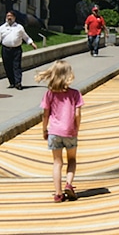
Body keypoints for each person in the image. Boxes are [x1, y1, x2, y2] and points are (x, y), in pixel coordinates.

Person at [35, 61, 84, 203]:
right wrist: (76, 128)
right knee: (72, 159)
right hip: (70, 131)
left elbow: (45, 114)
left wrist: (44, 129)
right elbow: (77, 114)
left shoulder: (49, 94)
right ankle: (68, 183)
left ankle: (58, 193)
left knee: (57, 162)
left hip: (54, 131)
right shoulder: (75, 94)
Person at [0, 11, 37, 90]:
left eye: (11, 16)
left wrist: (31, 43)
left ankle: (18, 82)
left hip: (16, 50)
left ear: (14, 18)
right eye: (7, 16)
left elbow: (25, 37)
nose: (9, 17)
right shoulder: (2, 28)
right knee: (7, 66)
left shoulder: (19, 27)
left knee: (16, 66)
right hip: (6, 49)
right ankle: (12, 82)